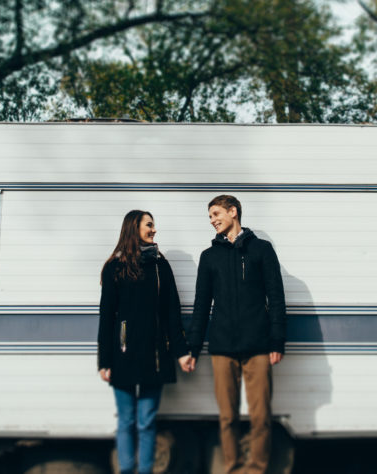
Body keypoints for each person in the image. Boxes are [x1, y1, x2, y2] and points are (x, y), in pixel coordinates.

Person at [187, 195, 287, 474]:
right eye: (210, 216)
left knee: (260, 416)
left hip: (258, 347)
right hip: (222, 348)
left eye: (216, 214)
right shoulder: (209, 257)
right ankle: (232, 467)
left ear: (233, 212)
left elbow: (276, 298)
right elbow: (201, 305)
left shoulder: (262, 250)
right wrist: (193, 348)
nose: (212, 220)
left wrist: (277, 340)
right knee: (227, 417)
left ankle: (256, 469)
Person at [97, 210, 194, 474]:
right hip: (122, 354)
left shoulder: (161, 266)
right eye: (149, 225)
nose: (154, 229)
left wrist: (181, 352)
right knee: (126, 421)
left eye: (153, 225)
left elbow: (172, 313)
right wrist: (104, 360)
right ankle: (127, 470)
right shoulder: (115, 267)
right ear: (134, 228)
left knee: (146, 422)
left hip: (155, 355)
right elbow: (107, 318)